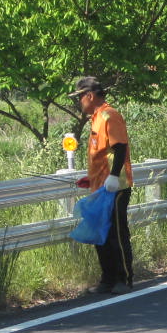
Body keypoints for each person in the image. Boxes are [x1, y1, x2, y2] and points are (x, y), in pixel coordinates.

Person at [70, 76, 134, 294]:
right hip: (100, 185)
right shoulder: (96, 118)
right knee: (101, 234)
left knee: (116, 233)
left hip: (116, 187)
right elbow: (102, 154)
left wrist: (114, 176)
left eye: (80, 97)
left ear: (89, 95)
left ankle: (123, 279)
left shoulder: (109, 115)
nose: (79, 102)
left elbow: (120, 147)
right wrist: (93, 178)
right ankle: (107, 279)